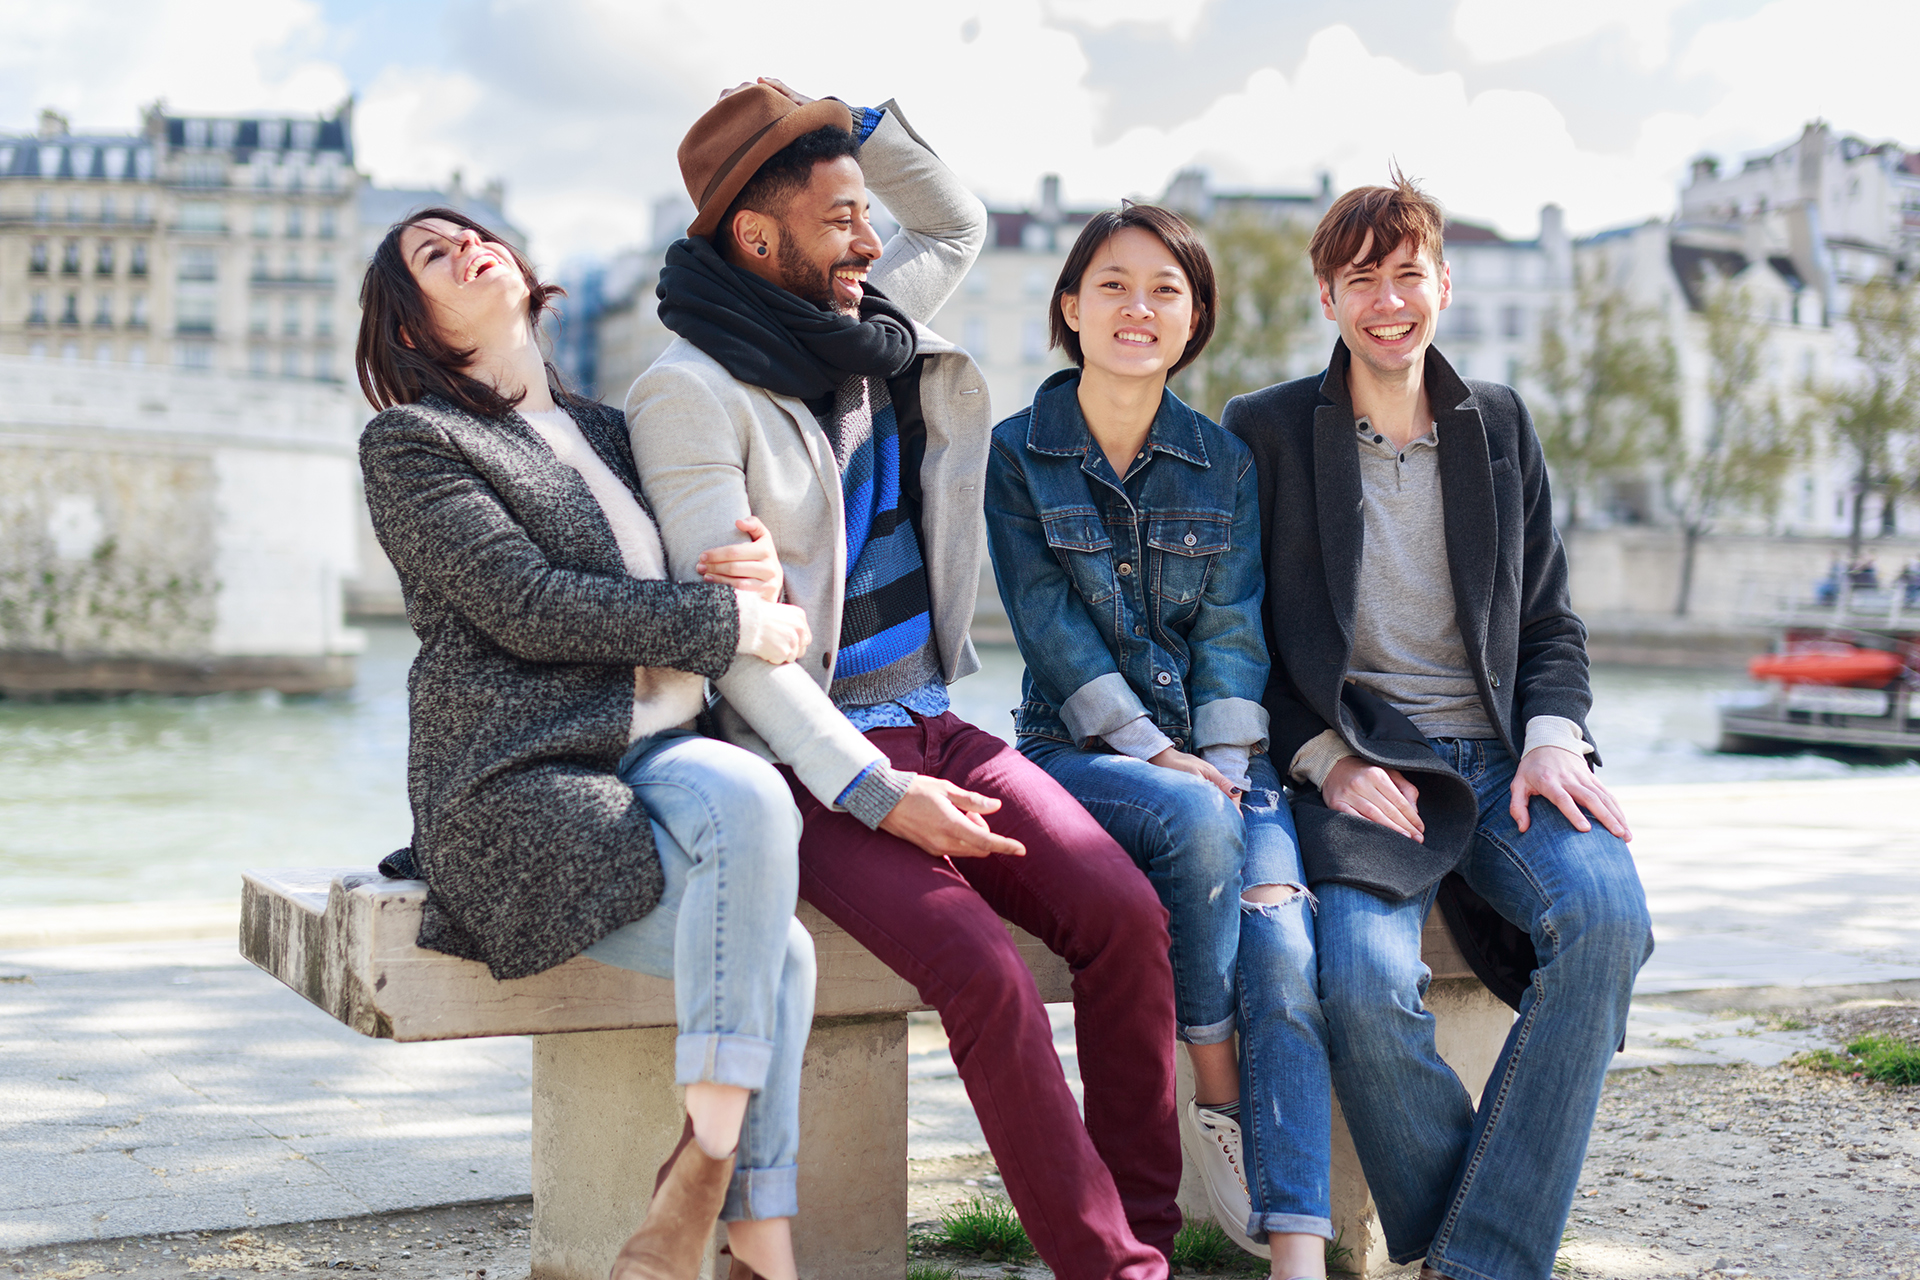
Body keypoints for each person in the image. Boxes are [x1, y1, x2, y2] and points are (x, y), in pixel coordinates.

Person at [627, 79, 1182, 1280]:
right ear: (761, 239)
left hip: (937, 717)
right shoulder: (687, 394)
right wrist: (877, 792)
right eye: (840, 217)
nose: (870, 240)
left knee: (1128, 915)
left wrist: (844, 123)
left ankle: (1151, 1233)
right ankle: (1112, 1268)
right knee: (984, 973)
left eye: (867, 214)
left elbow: (959, 224)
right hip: (808, 765)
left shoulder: (861, 318)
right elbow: (739, 646)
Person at [355, 207, 816, 1280]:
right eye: (434, 254)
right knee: (780, 952)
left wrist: (742, 575)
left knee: (755, 799)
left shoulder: (612, 428)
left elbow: (680, 582)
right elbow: (527, 604)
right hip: (526, 778)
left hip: (656, 754)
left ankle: (711, 1191)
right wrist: (731, 626)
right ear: (412, 325)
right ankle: (743, 1221)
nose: (469, 247)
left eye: (473, 233)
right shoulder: (418, 443)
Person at [1221, 175, 1654, 1280]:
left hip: (1508, 757)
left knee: (1605, 917)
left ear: (1443, 285)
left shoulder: (1500, 423)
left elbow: (1552, 619)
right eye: (1360, 277)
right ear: (1328, 296)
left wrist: (1556, 732)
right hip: (1372, 768)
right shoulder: (1265, 431)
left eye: (1407, 272)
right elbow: (1232, 644)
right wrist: (1323, 755)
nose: (1387, 299)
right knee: (1361, 985)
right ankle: (1482, 1251)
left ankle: (1469, 1262)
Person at [984, 204, 1330, 1280]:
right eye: (1115, 285)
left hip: (1223, 761)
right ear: (1070, 307)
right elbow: (1049, 628)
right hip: (1080, 752)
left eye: (1165, 290)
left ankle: (1294, 1247)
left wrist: (1225, 764)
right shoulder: (1016, 453)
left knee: (1284, 942)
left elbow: (1235, 623)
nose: (1139, 308)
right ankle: (1214, 1085)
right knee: (1185, 812)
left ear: (1195, 318)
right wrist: (1156, 751)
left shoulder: (1221, 458)